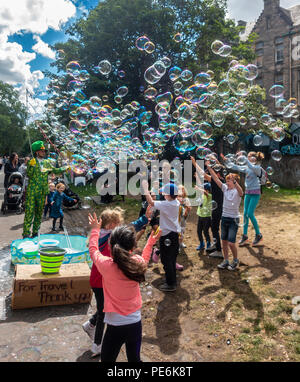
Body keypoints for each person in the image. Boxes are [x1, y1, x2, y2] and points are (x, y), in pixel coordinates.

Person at [88, 212, 160, 362]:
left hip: (115, 326)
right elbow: (145, 259)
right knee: (135, 360)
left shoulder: (106, 265)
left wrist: (95, 229)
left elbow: (93, 250)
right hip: (135, 323)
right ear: (132, 247)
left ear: (110, 245)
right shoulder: (137, 263)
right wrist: (150, 242)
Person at [22, 141, 68, 239]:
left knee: (39, 212)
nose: (44, 152)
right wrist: (31, 166)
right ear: (37, 152)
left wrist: (65, 168)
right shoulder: (31, 161)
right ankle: (26, 234)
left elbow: (55, 170)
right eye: (42, 151)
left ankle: (35, 232)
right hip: (32, 191)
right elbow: (29, 175)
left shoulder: (47, 162)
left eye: (44, 151)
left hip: (42, 191)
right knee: (29, 212)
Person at [142, 180, 181, 292]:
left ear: (168, 195)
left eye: (165, 193)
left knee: (166, 259)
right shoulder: (175, 202)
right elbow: (167, 194)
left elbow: (150, 201)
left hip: (167, 235)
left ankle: (171, 284)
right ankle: (172, 278)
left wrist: (145, 188)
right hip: (174, 235)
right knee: (172, 258)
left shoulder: (167, 204)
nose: (163, 194)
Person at [221, 151, 264, 246]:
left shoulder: (257, 168)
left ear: (255, 158)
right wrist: (227, 161)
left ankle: (258, 234)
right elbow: (235, 167)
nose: (247, 158)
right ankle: (245, 236)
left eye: (249, 157)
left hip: (255, 193)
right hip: (248, 193)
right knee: (245, 214)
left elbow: (252, 167)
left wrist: (243, 158)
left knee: (250, 213)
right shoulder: (246, 167)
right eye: (247, 157)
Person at [206, 163, 243, 271]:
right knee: (224, 242)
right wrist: (209, 168)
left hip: (234, 219)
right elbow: (216, 179)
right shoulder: (225, 188)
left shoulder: (237, 191)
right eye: (227, 180)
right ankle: (226, 260)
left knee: (231, 243)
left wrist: (235, 182)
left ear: (235, 182)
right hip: (225, 218)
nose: (227, 182)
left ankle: (235, 260)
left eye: (230, 180)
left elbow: (241, 192)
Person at [191, 155, 225, 259]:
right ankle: (215, 244)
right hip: (216, 206)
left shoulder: (218, 178)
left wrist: (194, 163)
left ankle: (219, 250)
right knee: (214, 227)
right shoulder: (219, 179)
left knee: (214, 228)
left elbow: (204, 174)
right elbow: (209, 173)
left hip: (217, 207)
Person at [196, 182, 212, 251]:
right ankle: (201, 243)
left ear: (207, 190)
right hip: (200, 215)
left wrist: (199, 189)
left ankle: (208, 244)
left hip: (207, 216)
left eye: (204, 189)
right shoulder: (202, 195)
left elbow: (205, 193)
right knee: (198, 231)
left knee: (205, 231)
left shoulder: (210, 196)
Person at [178, 184, 192, 249]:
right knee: (176, 231)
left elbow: (189, 207)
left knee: (182, 230)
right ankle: (176, 243)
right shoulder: (175, 198)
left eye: (182, 190)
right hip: (176, 217)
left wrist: (187, 208)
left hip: (183, 217)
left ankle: (180, 242)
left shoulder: (186, 199)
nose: (181, 191)